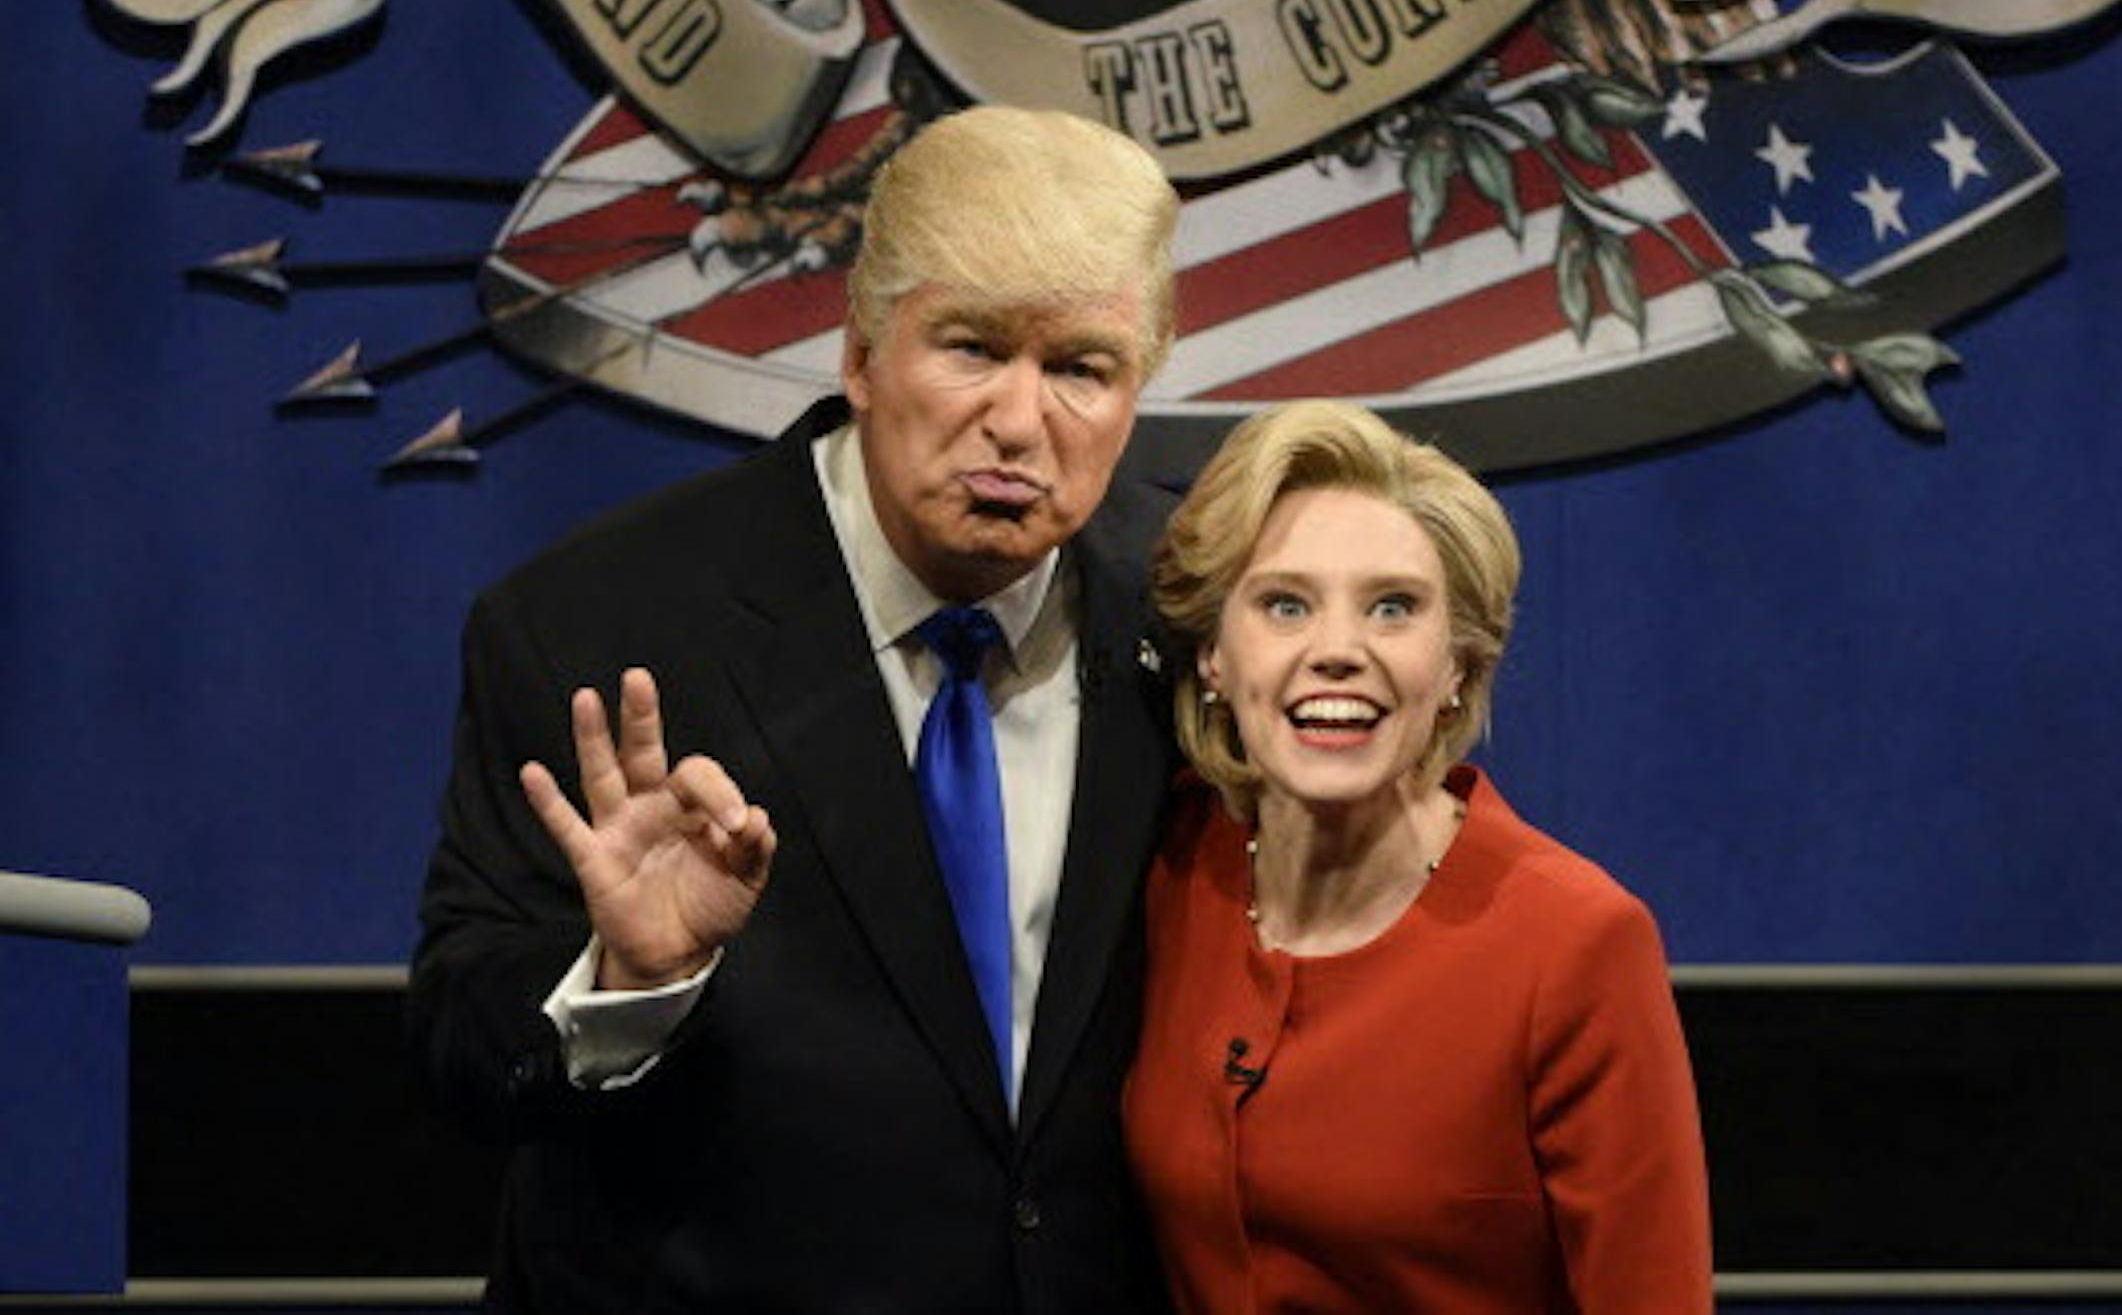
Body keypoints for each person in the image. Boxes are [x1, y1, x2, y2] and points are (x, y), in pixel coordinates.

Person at [407, 106, 1183, 1312]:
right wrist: (627, 977)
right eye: (971, 347)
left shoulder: (1200, 609)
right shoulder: (594, 625)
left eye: (1081, 368)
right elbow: (464, 1049)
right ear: (862, 354)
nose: (1021, 422)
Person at [1125, 399, 1712, 1313]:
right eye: (1285, 604)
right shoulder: (1168, 869)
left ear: (1458, 669)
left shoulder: (1574, 946)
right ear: (1212, 655)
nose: (1337, 652)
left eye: (1393, 609)